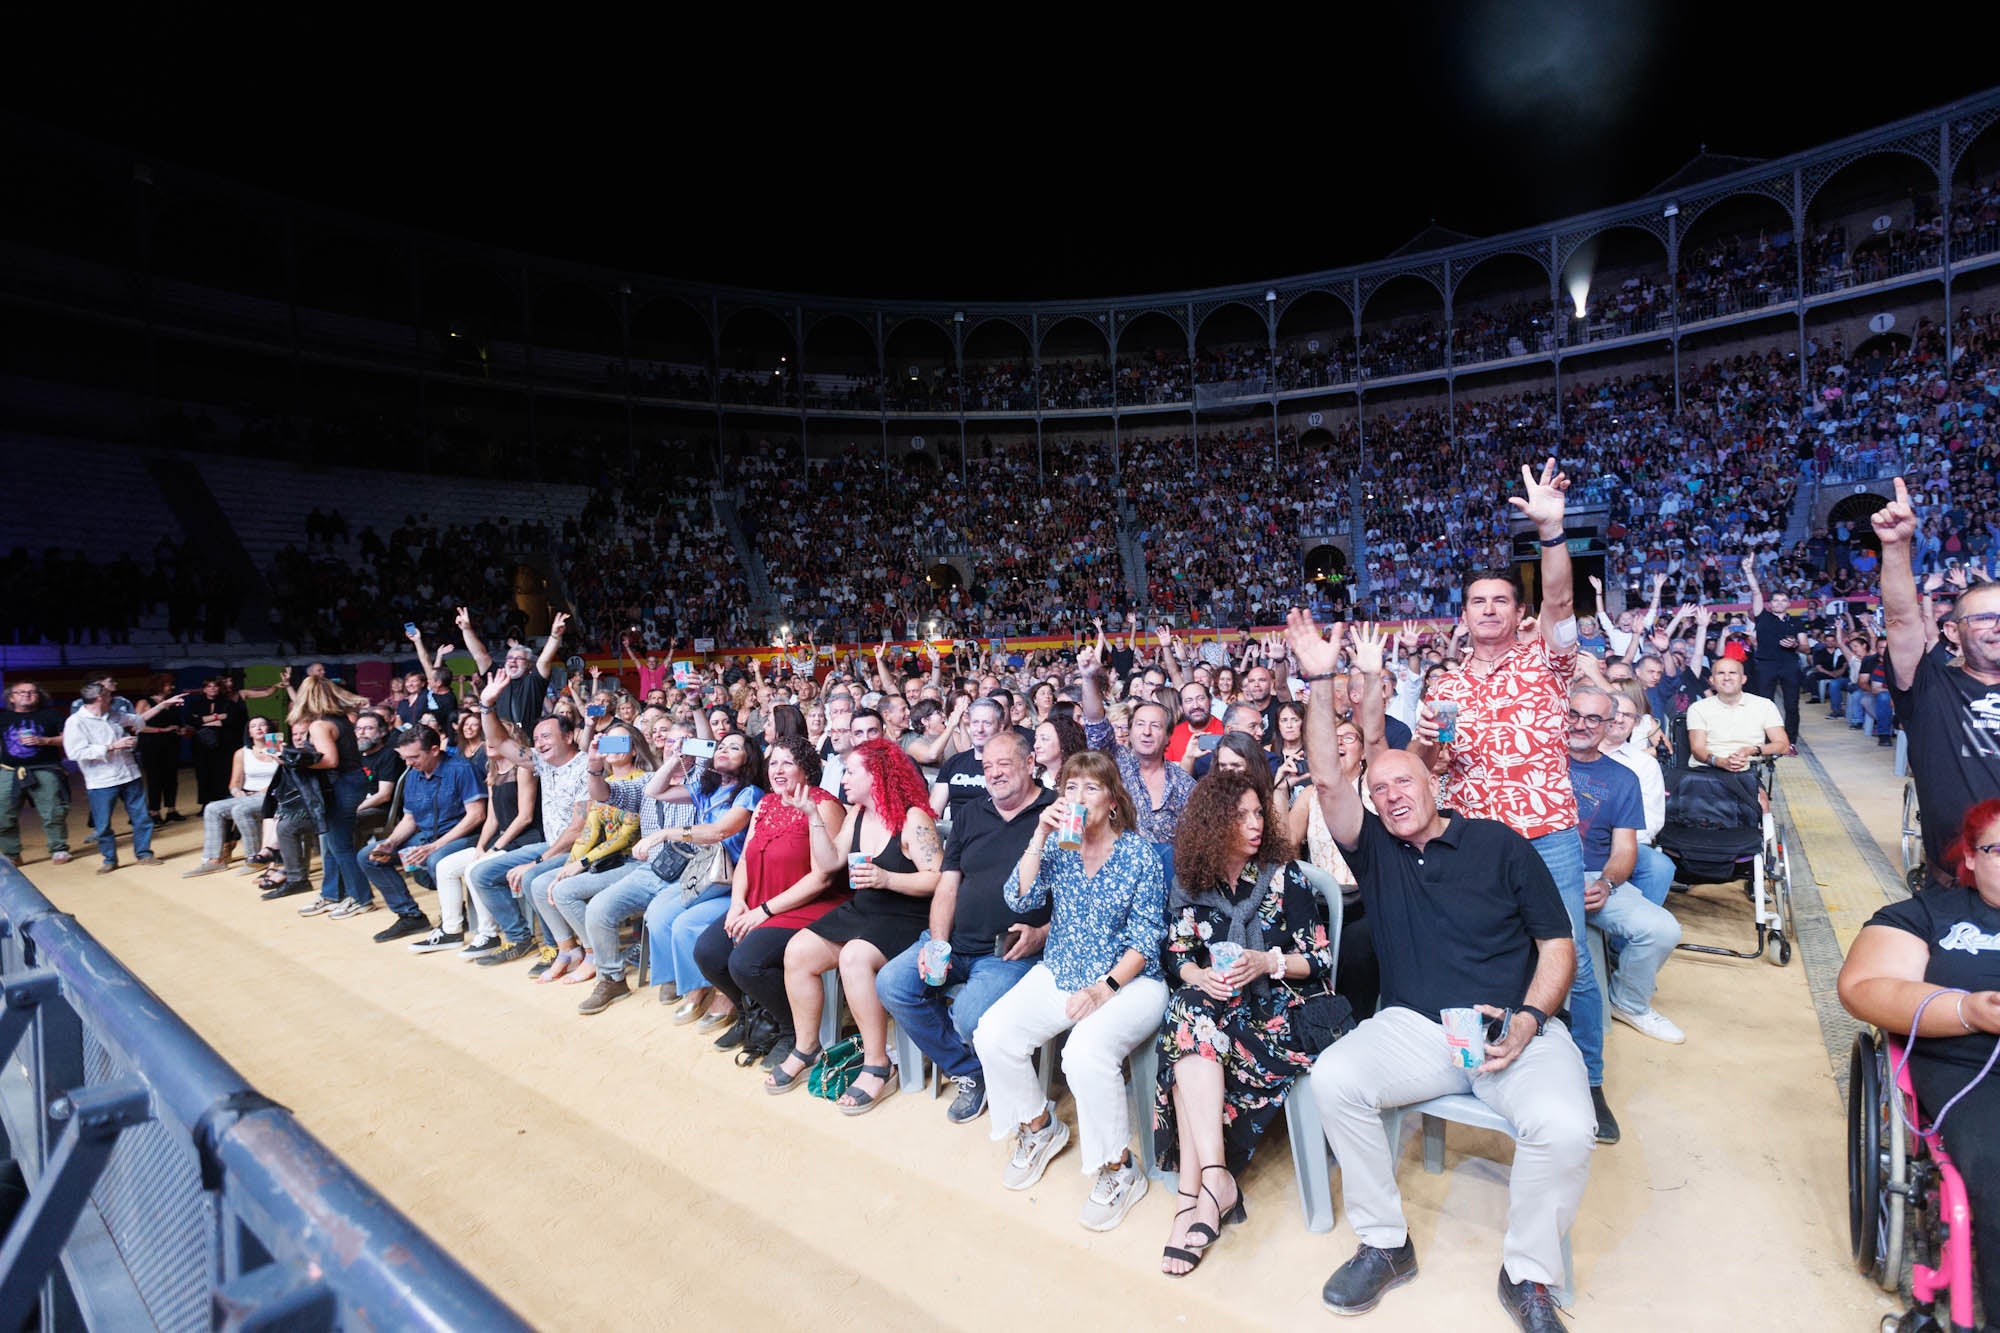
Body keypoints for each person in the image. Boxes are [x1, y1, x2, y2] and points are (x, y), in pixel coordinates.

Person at [1291, 612, 1590, 1332]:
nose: (1392, 794)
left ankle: (1528, 1274)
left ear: (1433, 780)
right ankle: (1385, 1243)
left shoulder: (1499, 844)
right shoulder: (1377, 851)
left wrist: (1529, 1020)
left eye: (1405, 780)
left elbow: (1558, 946)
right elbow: (1328, 778)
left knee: (1565, 1126)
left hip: (1511, 1029)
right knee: (1335, 1077)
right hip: (1418, 1030)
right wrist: (1320, 679)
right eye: (1380, 788)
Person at [1410, 459, 1619, 1145]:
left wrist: (1551, 532)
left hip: (1546, 834)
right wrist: (1425, 745)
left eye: (1502, 600)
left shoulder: (1545, 661)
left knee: (1570, 959)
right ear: (1464, 615)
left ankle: (1589, 1082)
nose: (1491, 610)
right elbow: (1433, 768)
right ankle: (1483, 1067)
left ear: (1518, 611)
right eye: (1479, 601)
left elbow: (1560, 602)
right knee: (1483, 956)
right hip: (1476, 844)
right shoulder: (1444, 687)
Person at [972, 750, 1168, 1233]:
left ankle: (1119, 1168)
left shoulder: (1138, 854)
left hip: (1130, 981)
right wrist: (1039, 835)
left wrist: (1104, 989)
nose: (1078, 797)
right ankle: (1039, 1127)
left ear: (1113, 801)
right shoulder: (1061, 845)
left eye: (1091, 788)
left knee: (1082, 1054)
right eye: (1070, 788)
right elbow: (1020, 898)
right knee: (992, 1033)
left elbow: (1146, 941)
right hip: (1062, 969)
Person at [1155, 770, 1333, 1276]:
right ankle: (1214, 1182)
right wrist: (1201, 975)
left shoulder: (1283, 875)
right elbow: (1177, 953)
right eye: (1241, 816)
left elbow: (1318, 959)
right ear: (1214, 823)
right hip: (1222, 1010)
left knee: (1188, 1033)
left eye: (1258, 814)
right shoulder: (1192, 882)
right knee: (1191, 1012)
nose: (1256, 824)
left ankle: (1192, 1196)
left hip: (1285, 1011)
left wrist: (1266, 962)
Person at [1838, 798, 2000, 1326]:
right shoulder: (1928, 915)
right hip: (1971, 1069)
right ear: (1970, 857)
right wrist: (1969, 1010)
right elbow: (1865, 986)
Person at [877, 730, 1054, 1123]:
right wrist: (938, 943)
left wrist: (1043, 933)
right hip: (955, 940)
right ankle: (970, 1070)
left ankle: (991, 1070)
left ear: (1030, 764)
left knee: (969, 1016)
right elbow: (948, 884)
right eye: (987, 766)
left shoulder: (1055, 814)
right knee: (892, 983)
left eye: (1004, 764)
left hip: (1009, 952)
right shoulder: (972, 812)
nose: (994, 773)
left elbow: (1078, 895)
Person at [766, 738, 943, 1110]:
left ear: (876, 775)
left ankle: (878, 1064)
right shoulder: (857, 814)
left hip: (905, 914)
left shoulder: (913, 818)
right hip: (865, 909)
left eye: (850, 772)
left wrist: (887, 878)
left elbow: (937, 879)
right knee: (798, 950)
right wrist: (814, 817)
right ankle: (807, 1046)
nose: (843, 779)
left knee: (854, 957)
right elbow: (830, 863)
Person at [1873, 478, 2000, 885]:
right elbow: (1900, 619)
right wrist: (1896, 547)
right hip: (1955, 887)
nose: (1998, 626)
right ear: (1953, 632)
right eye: (1985, 618)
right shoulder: (1931, 688)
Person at [691, 736, 848, 1058]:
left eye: (787, 763)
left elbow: (822, 877)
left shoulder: (825, 806)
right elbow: (746, 860)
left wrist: (763, 911)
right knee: (708, 952)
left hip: (810, 905)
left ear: (806, 769)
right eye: (773, 762)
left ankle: (791, 1031)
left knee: (746, 963)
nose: (778, 770)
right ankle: (752, 1015)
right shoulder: (765, 804)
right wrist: (738, 902)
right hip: (759, 899)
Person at [1564, 685, 1684, 1043]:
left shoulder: (1623, 777)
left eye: (1593, 718)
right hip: (1541, 875)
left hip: (1593, 876)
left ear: (1607, 725)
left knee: (1663, 929)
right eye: (1574, 715)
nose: (1581, 725)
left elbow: (1624, 849)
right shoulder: (1540, 763)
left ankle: (1629, 1003)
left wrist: (1607, 884)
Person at [634, 730, 764, 1019]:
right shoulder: (707, 789)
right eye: (721, 746)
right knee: (656, 915)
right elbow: (654, 791)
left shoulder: (750, 793)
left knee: (684, 923)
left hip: (736, 880)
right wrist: (676, 759)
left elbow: (721, 831)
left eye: (734, 748)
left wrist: (666, 833)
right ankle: (691, 981)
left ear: (748, 760)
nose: (724, 750)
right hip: (706, 874)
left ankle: (718, 990)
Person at [468, 677, 592, 968]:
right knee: (481, 874)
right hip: (551, 845)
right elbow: (499, 741)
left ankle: (557, 947)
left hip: (578, 849)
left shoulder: (586, 767)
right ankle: (519, 938)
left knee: (531, 877)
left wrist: (538, 861)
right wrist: (487, 705)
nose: (539, 743)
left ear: (569, 737)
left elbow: (577, 829)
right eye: (536, 739)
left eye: (546, 737)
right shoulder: (542, 762)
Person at [415, 721, 541, 955]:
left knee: (476, 869)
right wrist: (482, 847)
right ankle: (451, 930)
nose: (489, 742)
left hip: (525, 838)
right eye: (487, 738)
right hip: (502, 839)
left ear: (511, 741)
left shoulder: (523, 769)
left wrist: (495, 849)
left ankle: (488, 934)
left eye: (496, 737)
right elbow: (492, 819)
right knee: (445, 867)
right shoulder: (492, 770)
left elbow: (525, 817)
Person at [355, 724, 488, 942]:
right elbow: (410, 819)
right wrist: (391, 842)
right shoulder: (413, 775)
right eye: (405, 758)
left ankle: (454, 918)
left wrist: (435, 846)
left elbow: (476, 816)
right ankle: (410, 916)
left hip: (464, 837)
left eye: (414, 757)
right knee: (369, 856)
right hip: (427, 836)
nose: (408, 763)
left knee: (436, 859)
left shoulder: (461, 769)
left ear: (434, 750)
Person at [63, 683, 186, 873]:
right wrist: (112, 746)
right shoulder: (76, 722)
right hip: (101, 780)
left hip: (129, 775)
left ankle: (144, 854)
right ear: (99, 698)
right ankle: (109, 859)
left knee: (142, 818)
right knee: (103, 824)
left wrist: (164, 705)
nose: (112, 696)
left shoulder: (113, 714)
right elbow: (74, 752)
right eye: (108, 694)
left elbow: (139, 720)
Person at [1077, 650, 1194, 845]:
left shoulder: (1183, 783)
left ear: (1168, 736)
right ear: (1130, 731)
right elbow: (1096, 721)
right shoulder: (1115, 760)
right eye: (1140, 724)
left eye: (1155, 726)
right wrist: (1089, 678)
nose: (1146, 732)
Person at [288, 676, 374, 915]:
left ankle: (361, 898)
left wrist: (293, 764)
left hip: (342, 784)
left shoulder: (319, 725)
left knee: (339, 845)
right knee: (332, 843)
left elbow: (330, 760)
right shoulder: (339, 720)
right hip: (351, 782)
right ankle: (332, 894)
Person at [182, 716, 282, 877]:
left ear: (270, 729)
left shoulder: (277, 749)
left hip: (272, 794)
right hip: (249, 796)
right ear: (249, 732)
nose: (258, 728)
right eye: (254, 726)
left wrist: (277, 751)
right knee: (212, 808)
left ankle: (255, 858)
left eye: (263, 725)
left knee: (240, 810)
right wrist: (237, 792)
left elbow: (285, 777)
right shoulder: (242, 753)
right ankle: (214, 860)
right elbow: (234, 783)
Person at [2, 680, 71, 867]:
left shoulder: (52, 715)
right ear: (11, 698)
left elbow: (70, 739)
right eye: (21, 692)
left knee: (53, 811)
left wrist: (44, 741)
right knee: (3, 814)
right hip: (9, 771)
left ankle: (58, 848)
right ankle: (11, 853)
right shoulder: (3, 718)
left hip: (45, 768)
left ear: (39, 696)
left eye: (32, 692)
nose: (27, 694)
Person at [1684, 658, 1787, 776]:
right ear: (1712, 680)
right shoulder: (1698, 708)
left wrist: (1752, 750)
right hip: (1706, 771)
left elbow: (1783, 745)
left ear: (1743, 679)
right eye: (1720, 673)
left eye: (1733, 673)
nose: (1727, 677)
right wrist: (1720, 762)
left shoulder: (1765, 705)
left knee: (1752, 787)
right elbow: (1697, 749)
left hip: (1746, 771)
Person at [1743, 555, 1804, 734]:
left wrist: (1795, 644)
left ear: (1789, 604)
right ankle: (1766, 739)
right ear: (1769, 604)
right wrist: (1748, 571)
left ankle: (1790, 740)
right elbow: (1756, 592)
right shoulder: (1762, 616)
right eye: (1775, 600)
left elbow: (1806, 647)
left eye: (1783, 600)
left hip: (1789, 664)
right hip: (1766, 664)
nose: (1779, 603)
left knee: (1791, 705)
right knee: (1765, 704)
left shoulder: (1796, 622)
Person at [186, 676, 248, 809]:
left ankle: (223, 801)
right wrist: (217, 717)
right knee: (203, 773)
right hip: (202, 744)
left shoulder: (228, 703)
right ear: (204, 689)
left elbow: (233, 720)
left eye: (215, 686)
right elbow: (191, 721)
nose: (212, 688)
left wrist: (204, 721)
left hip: (224, 744)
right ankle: (205, 803)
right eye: (209, 686)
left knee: (223, 772)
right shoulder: (196, 703)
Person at [135, 673, 187, 825]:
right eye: (168, 684)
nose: (172, 687)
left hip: (171, 743)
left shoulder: (171, 702)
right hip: (151, 745)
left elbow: (177, 722)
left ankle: (171, 809)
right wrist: (162, 730)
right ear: (159, 685)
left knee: (171, 778)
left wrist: (181, 729)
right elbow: (137, 726)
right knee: (154, 778)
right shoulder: (144, 702)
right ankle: (154, 811)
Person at [1030, 716, 1087, 790]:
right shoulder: (1031, 776)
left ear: (1064, 742)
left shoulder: (1082, 779)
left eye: (1044, 739)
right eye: (1036, 739)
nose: (1036, 745)